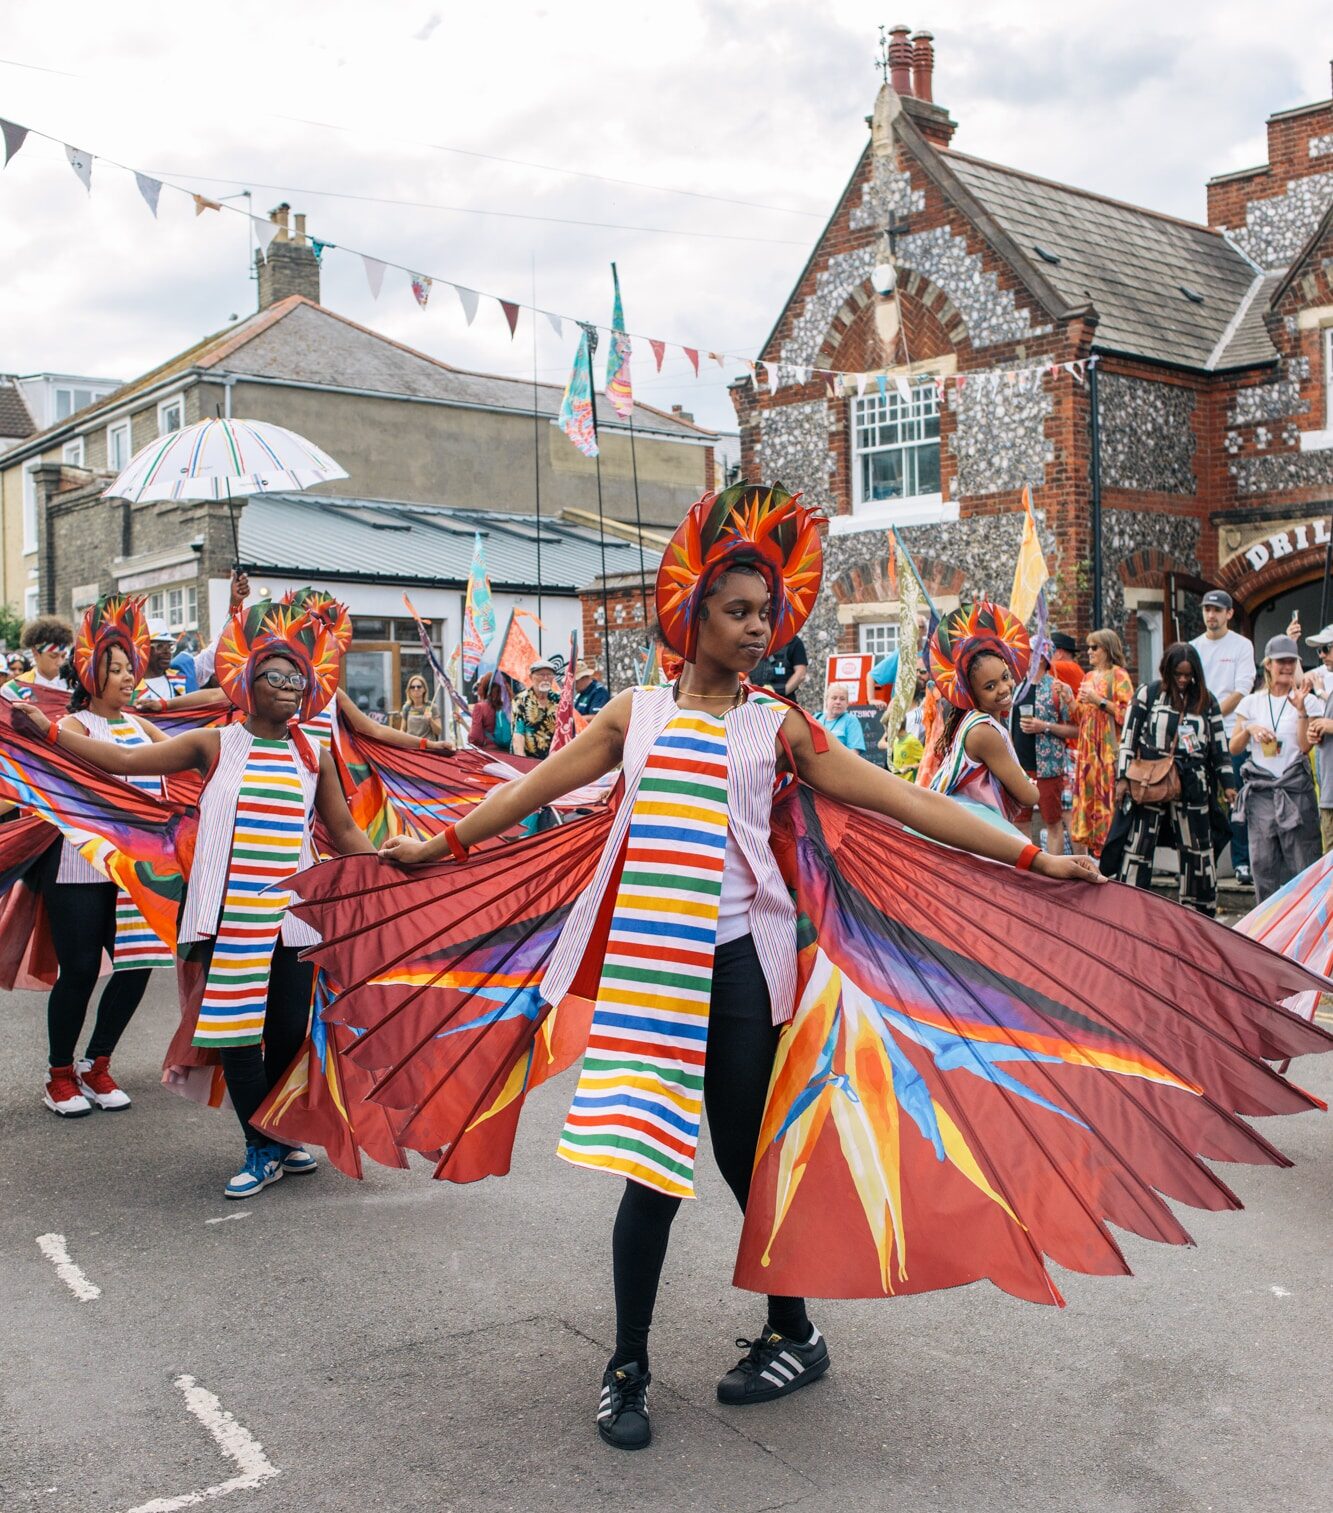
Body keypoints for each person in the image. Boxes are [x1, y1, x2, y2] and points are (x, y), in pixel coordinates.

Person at [272, 482, 1332, 1462]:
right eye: (737, 610)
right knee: (647, 1171)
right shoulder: (632, 716)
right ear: (690, 614)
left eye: (765, 613)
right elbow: (531, 786)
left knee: (745, 1153)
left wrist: (1023, 852)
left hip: (739, 969)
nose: (757, 628)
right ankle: (626, 1364)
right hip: (650, 973)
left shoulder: (772, 725)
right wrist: (442, 846)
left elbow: (896, 797)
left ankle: (792, 1331)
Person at [15, 599, 377, 1197]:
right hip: (228, 916)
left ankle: (281, 1136)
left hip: (292, 920)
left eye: (297, 679)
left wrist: (390, 866)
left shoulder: (312, 756)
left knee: (286, 1032)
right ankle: (260, 1145)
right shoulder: (215, 745)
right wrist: (49, 731)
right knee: (237, 1031)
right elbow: (126, 759)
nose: (289, 688)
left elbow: (343, 833)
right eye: (275, 677)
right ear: (246, 683)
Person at [35, 596, 175, 1117]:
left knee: (137, 966)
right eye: (113, 668)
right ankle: (58, 1075)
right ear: (90, 672)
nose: (125, 677)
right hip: (77, 867)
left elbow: (190, 753)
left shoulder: (142, 728)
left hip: (134, 872)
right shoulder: (71, 727)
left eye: (128, 668)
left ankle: (98, 1064)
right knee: (77, 971)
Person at [1115, 643, 1234, 916]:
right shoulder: (1150, 693)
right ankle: (1130, 906)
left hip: (1193, 783)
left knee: (1197, 848)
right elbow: (1128, 737)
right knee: (1139, 844)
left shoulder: (1206, 700)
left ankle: (1198, 911)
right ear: (1167, 670)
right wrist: (1122, 778)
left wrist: (1228, 784)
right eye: (1178, 673)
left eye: (1188, 674)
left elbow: (1219, 745)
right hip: (1151, 780)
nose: (1183, 679)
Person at [926, 603, 1040, 826]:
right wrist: (1029, 784)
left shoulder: (980, 723)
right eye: (989, 686)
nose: (1004, 688)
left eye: (1005, 676)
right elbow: (1029, 796)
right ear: (972, 694)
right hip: (974, 837)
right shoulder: (984, 734)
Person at [1229, 634, 1322, 901]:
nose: (1287, 667)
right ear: (1268, 664)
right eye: (1281, 661)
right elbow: (1234, 747)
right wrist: (1250, 729)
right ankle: (1265, 935)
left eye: (1291, 661)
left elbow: (1305, 747)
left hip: (1295, 790)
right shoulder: (1251, 702)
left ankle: (1305, 932)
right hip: (1261, 793)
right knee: (1263, 867)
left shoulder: (1307, 701)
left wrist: (1302, 710)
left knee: (1303, 864)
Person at [1190, 589, 1257, 886]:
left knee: (1236, 798)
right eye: (1207, 609)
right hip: (1196, 735)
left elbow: (1242, 690)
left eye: (1217, 610)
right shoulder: (1192, 647)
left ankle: (1242, 862)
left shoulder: (1241, 646)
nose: (1211, 615)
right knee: (1199, 798)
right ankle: (1202, 860)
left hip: (1232, 733)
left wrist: (1212, 716)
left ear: (1229, 614)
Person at [1071, 630, 1134, 857]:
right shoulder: (1087, 678)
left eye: (1094, 647)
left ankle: (1110, 852)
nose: (1089, 652)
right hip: (1088, 751)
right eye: (1089, 647)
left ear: (1107, 649)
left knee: (1107, 798)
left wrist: (1100, 702)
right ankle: (1094, 851)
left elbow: (1129, 714)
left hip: (1107, 749)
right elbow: (1080, 717)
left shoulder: (1119, 675)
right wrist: (1069, 698)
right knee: (1089, 797)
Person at [1017, 648, 1077, 854]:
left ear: (1041, 658)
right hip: (1019, 768)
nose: (1024, 657)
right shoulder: (1016, 687)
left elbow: (1076, 730)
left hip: (1047, 767)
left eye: (1029, 653)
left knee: (1052, 822)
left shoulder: (1056, 688)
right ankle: (1028, 874)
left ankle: (1054, 874)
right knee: (1020, 822)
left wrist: (1044, 726)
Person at [2, 615, 73, 702]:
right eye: (53, 656)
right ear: (35, 653)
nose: (60, 662)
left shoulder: (74, 686)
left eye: (63, 656)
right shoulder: (13, 690)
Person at [1306, 624, 1333, 853]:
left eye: (1326, 648)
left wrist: (1329, 725)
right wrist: (1315, 731)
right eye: (1319, 650)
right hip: (1328, 793)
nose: (1322, 655)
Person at [512, 658, 560, 759]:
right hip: (529, 759)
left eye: (550, 674)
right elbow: (518, 733)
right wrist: (522, 760)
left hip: (554, 760)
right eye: (541, 675)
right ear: (531, 677)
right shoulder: (521, 700)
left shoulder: (559, 700)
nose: (546, 678)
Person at [754, 631, 808, 700]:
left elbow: (800, 673)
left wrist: (781, 692)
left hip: (783, 701)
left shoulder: (793, 642)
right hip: (756, 699)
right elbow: (749, 673)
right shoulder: (756, 641)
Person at [815, 681, 865, 752]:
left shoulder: (851, 720)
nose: (838, 702)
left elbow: (855, 752)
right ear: (826, 700)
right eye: (834, 698)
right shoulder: (816, 718)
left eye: (842, 699)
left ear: (847, 703)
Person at [469, 673, 513, 752]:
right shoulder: (511, 705)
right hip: (509, 753)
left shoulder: (480, 707)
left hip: (489, 754)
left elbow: (475, 738)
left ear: (484, 687)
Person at [397, 674, 441, 740]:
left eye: (419, 686)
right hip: (411, 746)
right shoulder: (406, 708)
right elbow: (402, 730)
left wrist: (430, 720)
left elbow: (438, 731)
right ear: (409, 690)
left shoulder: (432, 707)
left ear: (424, 689)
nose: (416, 689)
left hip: (428, 747)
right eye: (412, 687)